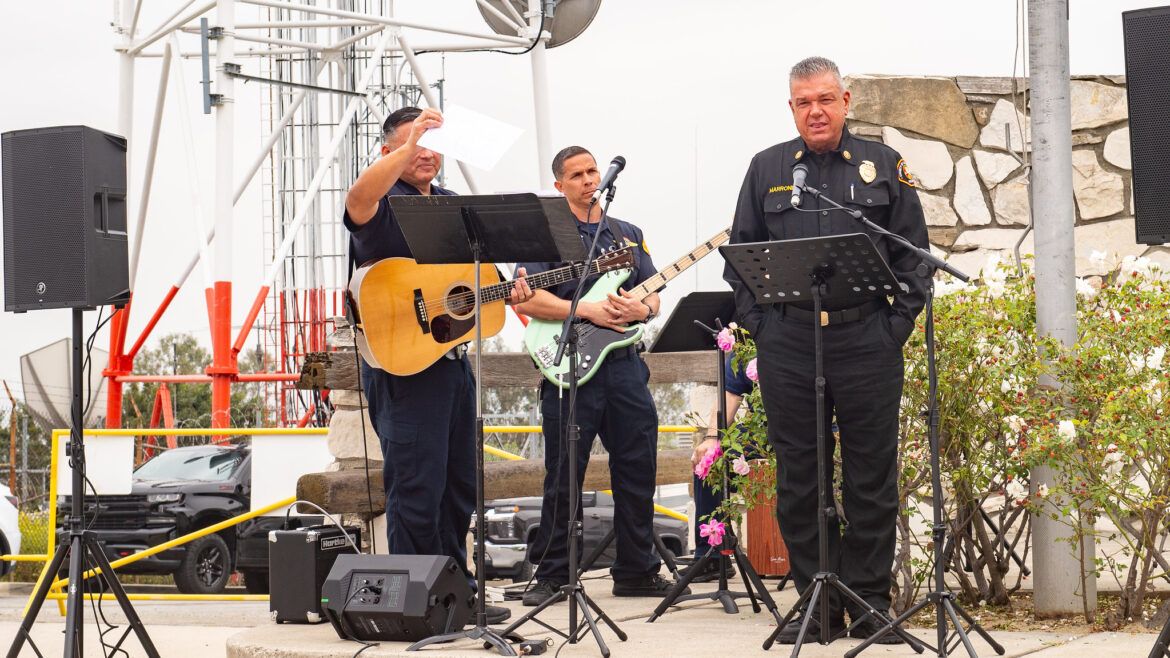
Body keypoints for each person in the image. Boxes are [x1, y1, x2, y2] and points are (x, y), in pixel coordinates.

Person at [723, 57, 929, 644]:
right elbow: (741, 257)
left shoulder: (882, 164)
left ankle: (868, 604)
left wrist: (895, 328)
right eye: (802, 102)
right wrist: (760, 326)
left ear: (845, 100)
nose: (815, 111)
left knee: (870, 478)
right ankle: (817, 603)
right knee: (799, 477)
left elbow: (914, 254)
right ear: (791, 108)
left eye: (824, 99)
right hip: (790, 340)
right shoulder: (766, 169)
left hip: (867, 339)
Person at [343, 106, 533, 625]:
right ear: (388, 152)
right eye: (412, 143)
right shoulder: (383, 203)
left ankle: (457, 596)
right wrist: (406, 148)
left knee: (459, 487)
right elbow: (357, 199)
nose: (426, 151)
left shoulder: (452, 205)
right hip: (403, 370)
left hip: (451, 364)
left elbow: (480, 289)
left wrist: (510, 287)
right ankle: (416, 603)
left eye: (432, 142)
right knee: (416, 487)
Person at [514, 146, 683, 605]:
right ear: (559, 185)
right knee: (563, 474)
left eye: (592, 171)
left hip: (625, 366)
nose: (589, 179)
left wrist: (641, 308)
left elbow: (653, 298)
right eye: (578, 174)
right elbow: (525, 301)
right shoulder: (545, 235)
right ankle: (552, 575)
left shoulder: (627, 234)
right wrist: (586, 309)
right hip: (567, 368)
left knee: (637, 468)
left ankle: (637, 571)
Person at [685, 355, 754, 582]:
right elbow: (731, 394)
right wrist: (712, 437)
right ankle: (712, 556)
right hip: (764, 431)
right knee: (708, 459)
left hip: (817, 427)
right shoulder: (745, 342)